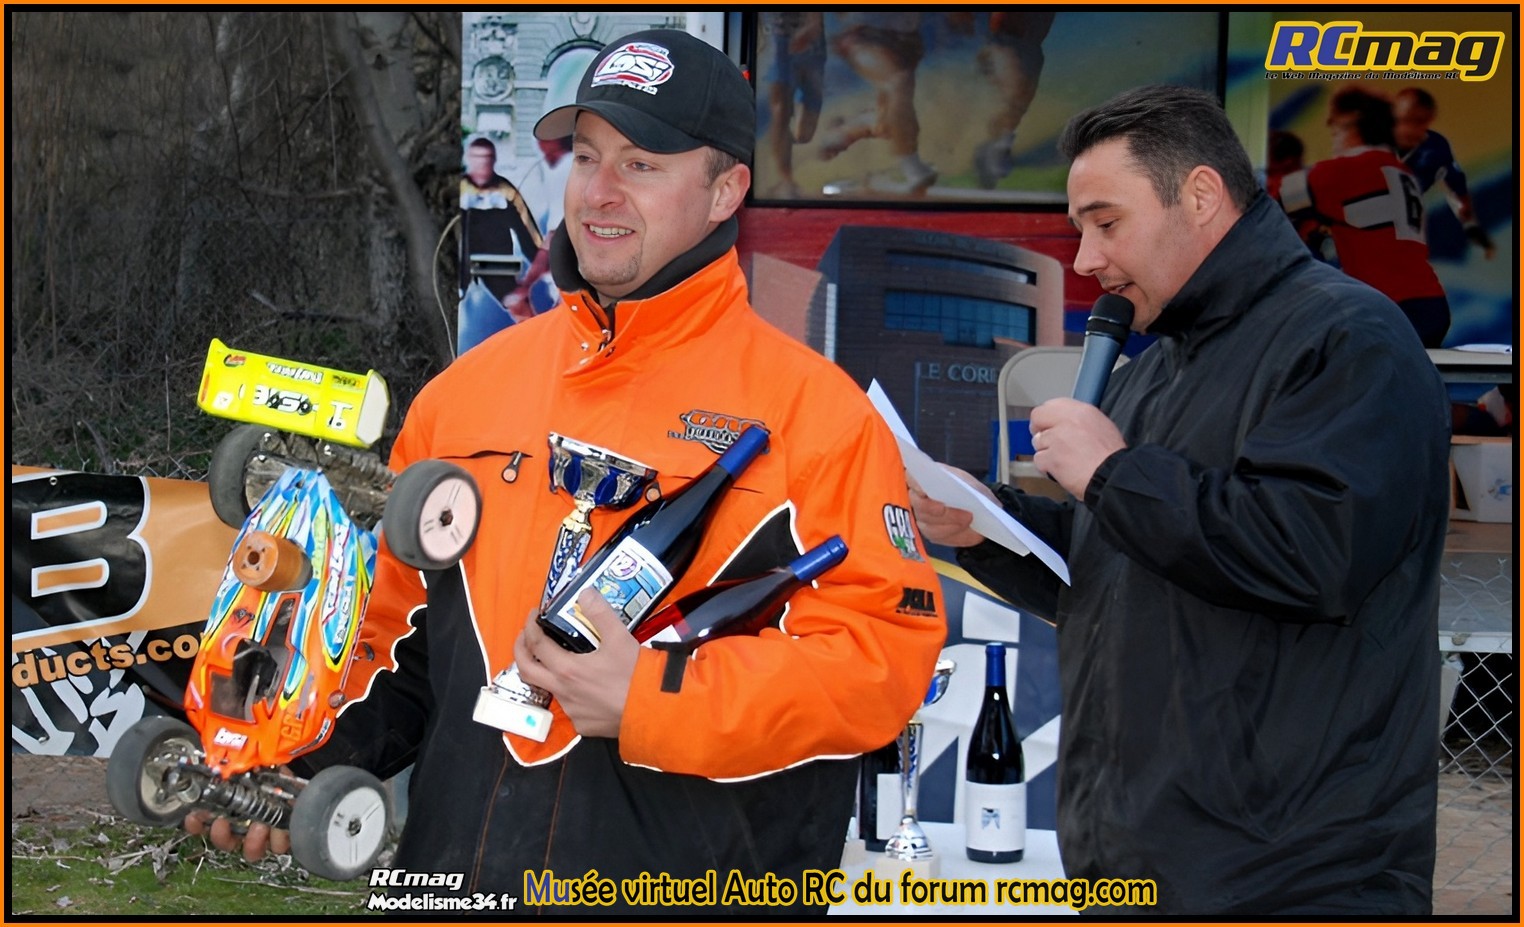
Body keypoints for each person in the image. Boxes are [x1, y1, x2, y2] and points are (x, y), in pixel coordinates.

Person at [188, 29, 945, 916]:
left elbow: (879, 663)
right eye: (586, 156)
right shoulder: (466, 393)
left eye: (642, 163)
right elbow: (395, 630)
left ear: (725, 190)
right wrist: (300, 755)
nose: (600, 191)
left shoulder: (818, 417)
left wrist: (658, 698)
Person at [910, 85, 1449, 914]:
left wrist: (1112, 472)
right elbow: (1118, 566)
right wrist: (985, 526)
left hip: (1291, 873)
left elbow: (1311, 555)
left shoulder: (1347, 337)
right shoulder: (1156, 367)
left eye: (1107, 222)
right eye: (1080, 229)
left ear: (1200, 195)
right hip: (1138, 857)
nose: (1086, 258)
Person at [1274, 86, 1452, 347]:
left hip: (1387, 306)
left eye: (1335, 130)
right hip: (1430, 303)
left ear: (1350, 124)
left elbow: (1269, 199)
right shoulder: (1400, 171)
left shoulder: (1344, 172)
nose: (1333, 140)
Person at [815, 12, 938, 193]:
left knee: (891, 121)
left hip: (907, 39)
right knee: (897, 82)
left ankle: (848, 130)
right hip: (864, 36)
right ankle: (913, 169)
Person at [1393, 86, 1496, 260]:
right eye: (1404, 120)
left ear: (1429, 120)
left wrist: (1471, 226)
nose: (1409, 128)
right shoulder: (1367, 142)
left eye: (1419, 121)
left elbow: (1456, 188)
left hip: (1404, 233)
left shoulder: (1435, 149)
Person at [459, 136, 548, 326]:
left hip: (496, 263)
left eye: (486, 158)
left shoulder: (506, 191)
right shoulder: (460, 189)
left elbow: (527, 228)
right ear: (469, 159)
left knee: (520, 309)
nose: (482, 163)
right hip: (459, 263)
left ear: (493, 160)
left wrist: (540, 258)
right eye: (477, 157)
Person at [967, 11, 1055, 189]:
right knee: (1013, 96)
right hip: (1004, 43)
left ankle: (997, 148)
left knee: (1019, 104)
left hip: (1030, 47)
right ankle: (996, 152)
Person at [759, 11, 826, 199]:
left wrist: (813, 25)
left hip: (811, 46)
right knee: (780, 111)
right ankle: (786, 180)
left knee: (805, 133)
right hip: (777, 41)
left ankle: (796, 113)